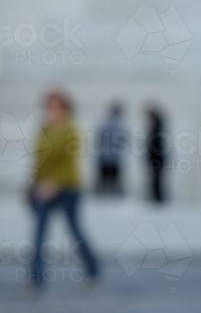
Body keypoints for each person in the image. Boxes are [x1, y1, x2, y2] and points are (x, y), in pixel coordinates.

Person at [28, 90, 100, 288]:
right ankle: (35, 279)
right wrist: (34, 184)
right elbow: (39, 161)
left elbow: (69, 162)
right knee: (39, 234)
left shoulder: (71, 130)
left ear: (66, 108)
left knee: (75, 231)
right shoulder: (44, 130)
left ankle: (93, 271)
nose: (52, 111)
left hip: (68, 187)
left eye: (57, 106)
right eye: (49, 106)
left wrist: (54, 183)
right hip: (43, 188)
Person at [95, 102, 128, 195]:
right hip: (115, 158)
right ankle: (114, 195)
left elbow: (100, 139)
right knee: (114, 181)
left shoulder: (104, 125)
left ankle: (102, 195)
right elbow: (123, 141)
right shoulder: (120, 126)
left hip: (104, 157)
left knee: (103, 181)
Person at [145, 106, 167, 203]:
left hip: (156, 160)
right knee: (156, 182)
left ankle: (158, 200)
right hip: (157, 160)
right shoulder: (157, 129)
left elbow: (156, 148)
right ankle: (157, 200)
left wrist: (153, 161)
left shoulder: (156, 130)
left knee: (157, 182)